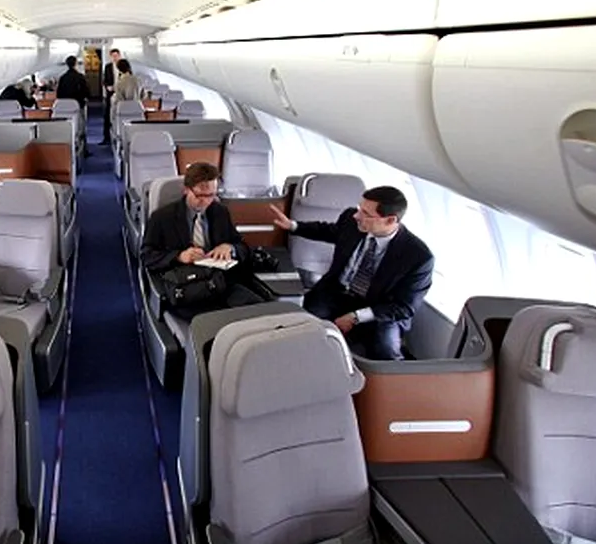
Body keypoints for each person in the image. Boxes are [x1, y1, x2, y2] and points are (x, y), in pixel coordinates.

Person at [268, 186, 433, 360]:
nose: (356, 216)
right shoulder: (351, 220)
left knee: (386, 352)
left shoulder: (418, 256)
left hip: (379, 309)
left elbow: (404, 307)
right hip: (336, 293)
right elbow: (329, 231)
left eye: (365, 213)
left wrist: (356, 317)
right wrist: (293, 226)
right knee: (304, 329)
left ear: (390, 220)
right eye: (359, 208)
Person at [141, 162, 266, 321]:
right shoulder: (162, 218)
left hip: (222, 283)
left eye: (211, 195)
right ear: (186, 189)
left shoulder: (220, 212)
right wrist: (179, 256)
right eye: (200, 196)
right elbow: (147, 256)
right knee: (217, 324)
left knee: (260, 316)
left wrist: (230, 247)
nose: (206, 201)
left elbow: (243, 247)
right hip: (189, 288)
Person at [100, 48, 122, 144]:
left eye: (116, 56)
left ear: (119, 56)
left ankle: (118, 136)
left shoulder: (123, 65)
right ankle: (106, 138)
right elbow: (104, 80)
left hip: (121, 94)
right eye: (113, 56)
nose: (115, 58)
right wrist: (107, 87)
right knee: (107, 115)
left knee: (119, 114)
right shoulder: (108, 67)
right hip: (110, 93)